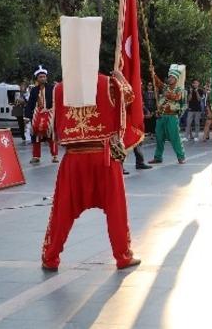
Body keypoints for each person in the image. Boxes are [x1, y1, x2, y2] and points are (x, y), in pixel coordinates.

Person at [41, 16, 141, 272]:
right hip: (103, 156)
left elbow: (50, 127)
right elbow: (129, 102)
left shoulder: (59, 89)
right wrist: (121, 78)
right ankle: (122, 255)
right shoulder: (110, 83)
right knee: (116, 210)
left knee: (62, 210)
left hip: (73, 159)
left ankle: (50, 257)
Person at [151, 65, 186, 164]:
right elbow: (157, 82)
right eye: (169, 77)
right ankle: (158, 157)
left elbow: (177, 97)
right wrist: (153, 73)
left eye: (172, 77)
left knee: (175, 137)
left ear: (176, 79)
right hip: (161, 116)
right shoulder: (165, 87)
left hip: (172, 116)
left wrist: (168, 94)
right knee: (159, 137)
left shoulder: (179, 89)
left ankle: (181, 156)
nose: (170, 79)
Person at [26, 66, 58, 164]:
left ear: (46, 78)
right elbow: (30, 103)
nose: (43, 78)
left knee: (51, 136)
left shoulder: (52, 88)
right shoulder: (34, 90)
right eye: (41, 77)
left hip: (50, 114)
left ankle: (55, 156)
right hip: (37, 115)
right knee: (35, 136)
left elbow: (56, 101)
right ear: (37, 79)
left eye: (44, 76)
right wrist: (27, 116)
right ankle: (36, 156)